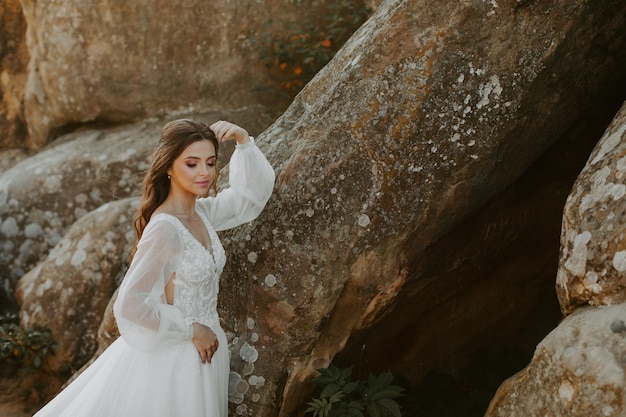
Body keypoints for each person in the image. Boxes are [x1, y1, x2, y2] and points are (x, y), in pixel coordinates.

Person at [33, 119, 275, 417]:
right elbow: (131, 305)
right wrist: (191, 330)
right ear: (169, 168)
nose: (204, 172)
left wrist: (244, 141)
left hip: (207, 352)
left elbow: (247, 199)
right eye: (191, 163)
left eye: (210, 163)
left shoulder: (201, 212)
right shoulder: (165, 228)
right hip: (177, 359)